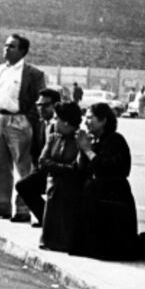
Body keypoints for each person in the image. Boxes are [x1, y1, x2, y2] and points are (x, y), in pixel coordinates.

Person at [73, 102, 145, 260]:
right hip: (95, 198)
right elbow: (83, 170)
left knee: (115, 251)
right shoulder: (94, 141)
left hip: (113, 200)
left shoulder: (115, 141)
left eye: (90, 118)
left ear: (103, 120)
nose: (86, 122)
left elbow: (110, 169)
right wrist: (82, 150)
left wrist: (88, 150)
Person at [0, 34, 47, 223]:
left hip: (19, 120)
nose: (6, 49)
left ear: (22, 51)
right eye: (6, 45)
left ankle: (23, 209)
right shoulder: (0, 71)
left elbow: (40, 100)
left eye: (11, 46)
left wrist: (28, 120)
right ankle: (3, 205)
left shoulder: (33, 73)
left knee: (24, 166)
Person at [39, 101, 87, 252]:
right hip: (54, 183)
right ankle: (49, 239)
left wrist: (56, 167)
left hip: (71, 186)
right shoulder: (53, 138)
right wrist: (65, 168)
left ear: (66, 122)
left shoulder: (80, 139)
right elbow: (42, 162)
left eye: (56, 119)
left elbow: (78, 167)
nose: (54, 122)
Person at [15, 87, 62, 227]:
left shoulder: (61, 125)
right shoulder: (40, 124)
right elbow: (35, 152)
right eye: (38, 105)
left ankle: (50, 220)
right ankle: (45, 218)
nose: (41, 109)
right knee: (23, 186)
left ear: (56, 106)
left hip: (59, 172)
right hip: (43, 170)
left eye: (45, 105)